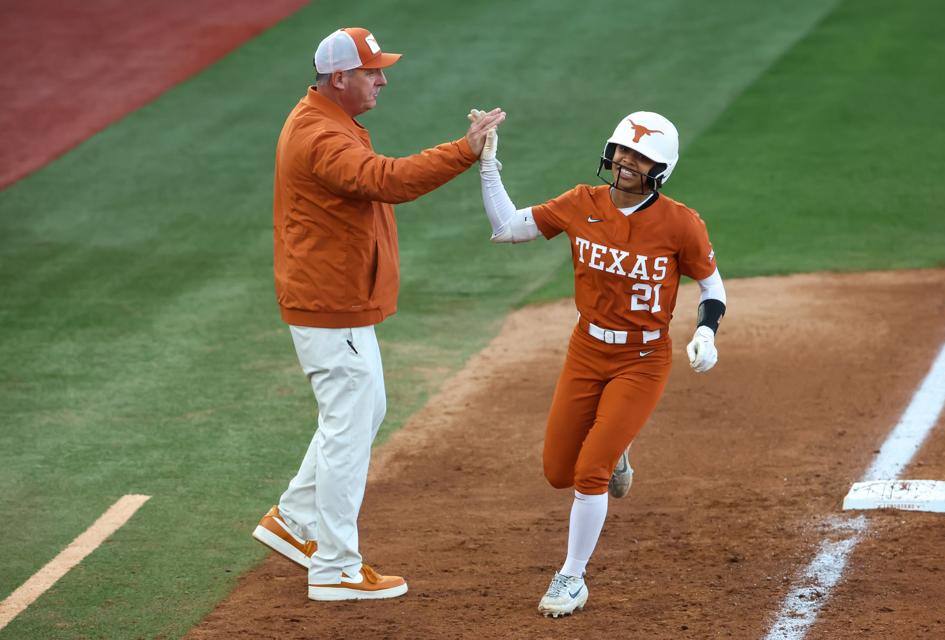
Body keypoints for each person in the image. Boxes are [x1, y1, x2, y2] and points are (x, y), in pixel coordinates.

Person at [252, 27, 505, 602]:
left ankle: (293, 519)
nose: (383, 80)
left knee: (364, 412)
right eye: (372, 72)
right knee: (347, 429)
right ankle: (335, 567)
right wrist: (463, 151)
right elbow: (388, 181)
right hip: (330, 304)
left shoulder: (326, 120)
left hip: (335, 299)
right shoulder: (321, 135)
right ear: (339, 77)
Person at [469, 109, 726, 617]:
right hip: (586, 350)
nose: (627, 162)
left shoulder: (681, 223)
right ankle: (618, 449)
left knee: (589, 472)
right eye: (623, 150)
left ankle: (571, 577)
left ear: (661, 168)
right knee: (557, 472)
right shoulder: (580, 203)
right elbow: (507, 228)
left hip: (643, 358)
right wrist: (488, 165)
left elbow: (710, 284)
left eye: (641, 156)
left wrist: (705, 331)